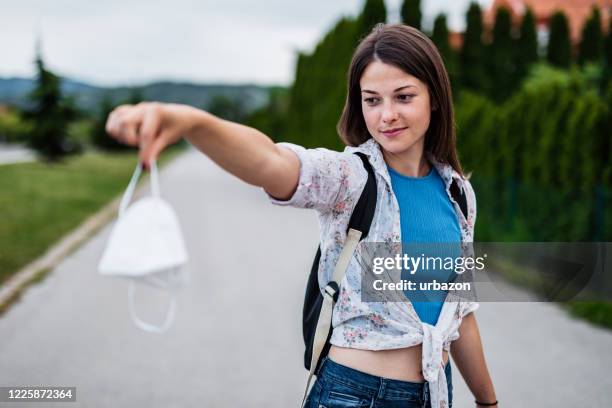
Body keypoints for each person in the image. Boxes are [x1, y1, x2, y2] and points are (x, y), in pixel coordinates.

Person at [105, 23, 497, 408]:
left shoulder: (458, 194)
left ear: (435, 98)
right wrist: (192, 122)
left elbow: (459, 316)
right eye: (372, 99)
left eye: (403, 97)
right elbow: (270, 160)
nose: (386, 115)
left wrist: (487, 402)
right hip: (356, 395)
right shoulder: (351, 178)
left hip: (436, 393)